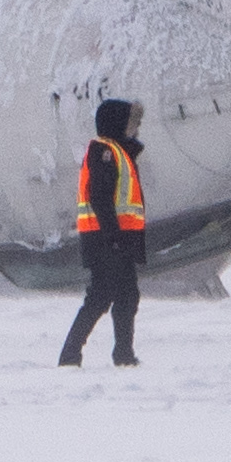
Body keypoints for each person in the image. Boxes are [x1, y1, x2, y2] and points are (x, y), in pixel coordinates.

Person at [56, 98, 148, 368]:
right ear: (118, 124)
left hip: (115, 238)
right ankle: (75, 355)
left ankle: (119, 354)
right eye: (132, 123)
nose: (136, 129)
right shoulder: (105, 151)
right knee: (103, 296)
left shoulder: (119, 152)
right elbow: (100, 197)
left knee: (121, 295)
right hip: (108, 239)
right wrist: (114, 236)